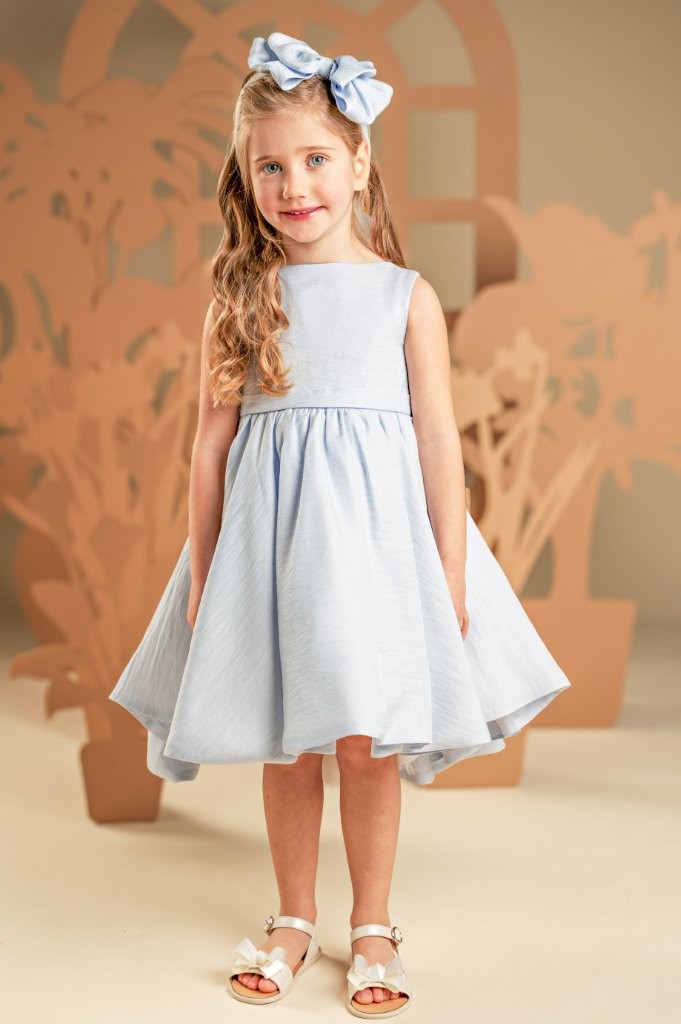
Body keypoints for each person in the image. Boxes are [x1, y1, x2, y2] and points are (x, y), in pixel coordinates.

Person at [109, 31, 571, 1018]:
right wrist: (205, 571)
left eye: (315, 159)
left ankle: (372, 924)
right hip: (273, 555)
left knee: (366, 738)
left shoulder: (406, 298)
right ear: (247, 178)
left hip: (376, 556)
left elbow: (439, 441)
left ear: (359, 163)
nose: (294, 185)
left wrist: (448, 574)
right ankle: (292, 916)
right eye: (270, 167)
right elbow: (209, 447)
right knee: (290, 739)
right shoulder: (241, 297)